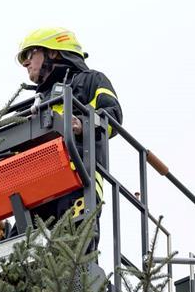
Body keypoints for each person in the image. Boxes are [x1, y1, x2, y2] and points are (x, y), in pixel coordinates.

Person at [16, 27, 122, 246]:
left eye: (30, 54)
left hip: (78, 180)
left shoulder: (91, 80)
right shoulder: (35, 100)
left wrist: (82, 125)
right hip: (35, 189)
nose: (26, 63)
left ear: (53, 52)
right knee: (17, 249)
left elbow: (113, 118)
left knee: (74, 252)